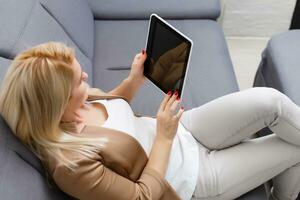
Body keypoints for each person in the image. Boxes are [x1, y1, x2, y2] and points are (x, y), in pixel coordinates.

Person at [1, 42, 300, 200]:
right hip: (193, 180)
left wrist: (134, 80)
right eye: (79, 82)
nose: (86, 78)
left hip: (187, 130)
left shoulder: (78, 103)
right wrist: (164, 138)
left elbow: (115, 107)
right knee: (295, 151)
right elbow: (141, 197)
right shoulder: (70, 166)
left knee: (270, 101)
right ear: (57, 105)